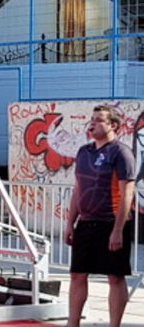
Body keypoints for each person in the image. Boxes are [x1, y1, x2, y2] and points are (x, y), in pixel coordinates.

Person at [65, 104, 136, 327]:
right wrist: (70, 223)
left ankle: (114, 324)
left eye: (99, 120)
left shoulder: (121, 153)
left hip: (111, 222)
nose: (92, 123)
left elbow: (127, 193)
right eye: (92, 119)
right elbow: (78, 189)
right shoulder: (83, 152)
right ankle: (73, 322)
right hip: (86, 223)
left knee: (114, 277)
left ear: (113, 125)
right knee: (77, 274)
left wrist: (118, 230)